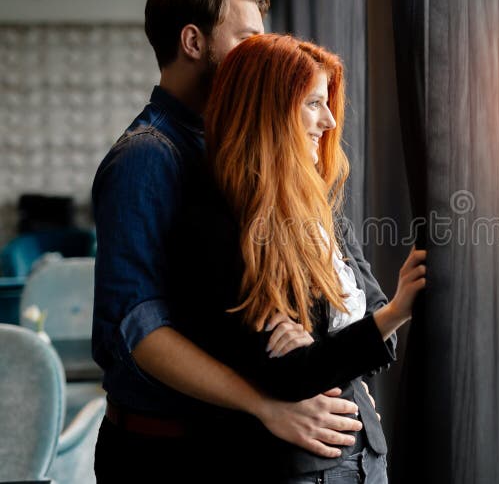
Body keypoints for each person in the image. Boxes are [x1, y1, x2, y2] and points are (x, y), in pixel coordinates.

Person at [92, 0, 367, 483]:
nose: (262, 52)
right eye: (247, 39)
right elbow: (137, 327)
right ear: (194, 42)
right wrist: (266, 405)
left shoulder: (230, 148)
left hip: (225, 440)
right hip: (163, 451)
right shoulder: (148, 157)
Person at [168, 33, 427, 482]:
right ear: (266, 111)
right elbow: (287, 377)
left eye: (327, 104)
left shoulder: (322, 209)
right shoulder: (221, 221)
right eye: (312, 103)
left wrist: (335, 343)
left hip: (366, 457)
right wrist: (393, 314)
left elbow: (381, 346)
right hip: (298, 468)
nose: (328, 121)